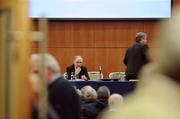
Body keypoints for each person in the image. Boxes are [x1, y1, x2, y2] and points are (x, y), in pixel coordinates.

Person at [101, 6, 180, 119]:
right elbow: (149, 61)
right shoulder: (144, 47)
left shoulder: (129, 48)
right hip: (139, 77)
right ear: (142, 39)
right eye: (146, 39)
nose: (146, 41)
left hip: (128, 76)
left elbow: (125, 61)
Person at [30, 53, 82, 119]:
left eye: (36, 72)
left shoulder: (62, 88)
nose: (33, 76)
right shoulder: (55, 86)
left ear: (48, 70)